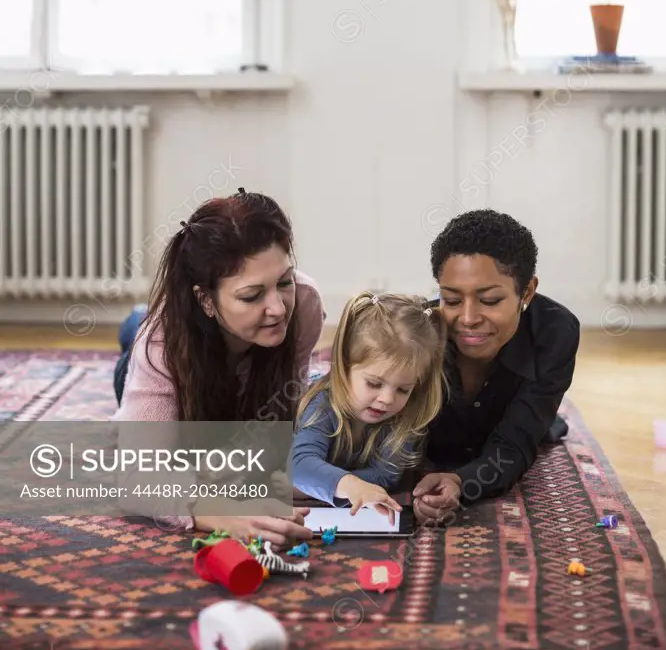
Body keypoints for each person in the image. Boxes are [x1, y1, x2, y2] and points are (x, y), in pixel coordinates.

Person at [115, 189, 325, 547]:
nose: (278, 308)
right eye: (251, 295)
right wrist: (222, 512)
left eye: (284, 281)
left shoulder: (303, 303)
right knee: (137, 332)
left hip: (229, 381)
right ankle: (135, 319)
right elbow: (135, 474)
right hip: (164, 351)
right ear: (206, 299)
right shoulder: (161, 343)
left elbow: (283, 410)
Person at [412, 209, 580, 523]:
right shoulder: (419, 331)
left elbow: (515, 442)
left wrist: (461, 482)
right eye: (451, 299)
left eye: (489, 301)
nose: (468, 318)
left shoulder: (555, 333)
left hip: (515, 429)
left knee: (542, 428)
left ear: (526, 292)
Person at [291, 291, 446, 522]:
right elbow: (300, 464)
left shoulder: (406, 416)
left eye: (403, 389)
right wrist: (351, 486)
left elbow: (385, 475)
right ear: (344, 366)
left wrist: (316, 485)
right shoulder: (323, 403)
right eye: (374, 383)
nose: (386, 399)